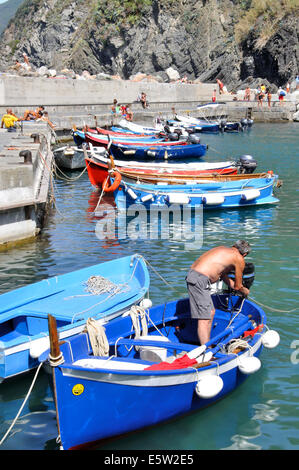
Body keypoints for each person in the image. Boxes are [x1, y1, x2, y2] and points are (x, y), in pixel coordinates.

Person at [186, 240, 251, 345]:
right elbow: (238, 286)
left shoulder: (223, 250)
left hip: (196, 277)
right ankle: (206, 351)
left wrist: (234, 285)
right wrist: (245, 291)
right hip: (199, 279)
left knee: (211, 312)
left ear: (234, 246)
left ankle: (207, 343)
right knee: (204, 318)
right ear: (244, 254)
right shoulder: (239, 258)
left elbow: (223, 276)